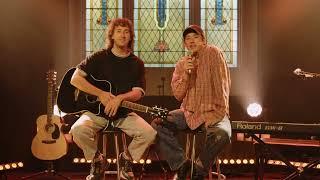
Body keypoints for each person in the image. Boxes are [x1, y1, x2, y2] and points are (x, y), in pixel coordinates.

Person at [69, 18, 157, 180]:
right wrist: (100, 94)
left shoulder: (136, 63)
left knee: (149, 133)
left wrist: (120, 99)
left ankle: (126, 159)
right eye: (119, 31)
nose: (123, 35)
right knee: (77, 130)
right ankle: (97, 160)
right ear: (112, 35)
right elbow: (75, 79)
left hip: (123, 114)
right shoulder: (98, 57)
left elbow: (138, 92)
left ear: (130, 36)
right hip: (95, 113)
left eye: (126, 32)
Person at [151, 25, 232, 180]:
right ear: (184, 44)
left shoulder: (213, 52)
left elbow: (223, 84)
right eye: (187, 38)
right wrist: (187, 75)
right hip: (188, 112)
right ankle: (181, 164)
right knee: (157, 124)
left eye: (195, 37)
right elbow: (178, 95)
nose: (191, 41)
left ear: (203, 40)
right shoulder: (182, 63)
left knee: (223, 134)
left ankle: (199, 169)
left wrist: (221, 113)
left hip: (213, 111)